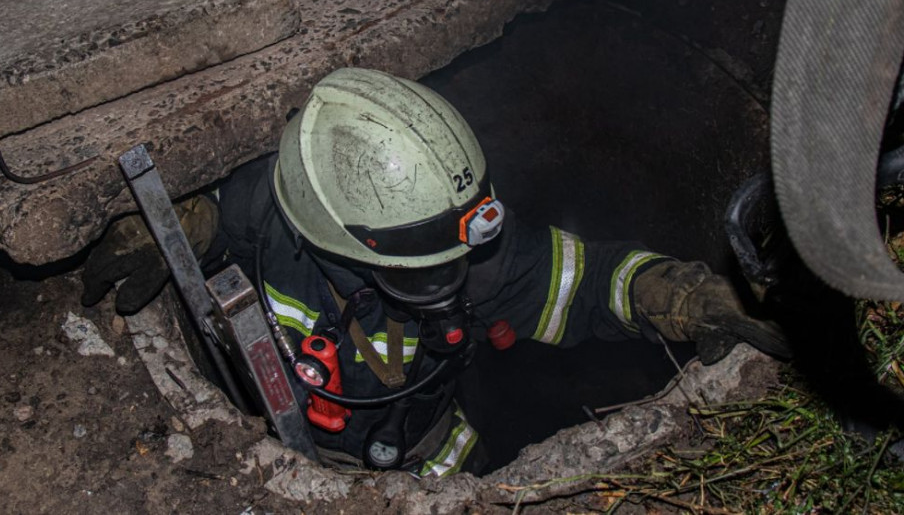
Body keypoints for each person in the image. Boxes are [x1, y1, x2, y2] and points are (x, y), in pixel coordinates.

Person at [81, 67, 791, 477]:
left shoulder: (477, 258)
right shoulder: (265, 217)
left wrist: (682, 296)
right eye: (414, 266)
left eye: (452, 256)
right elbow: (211, 218)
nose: (446, 279)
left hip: (437, 463)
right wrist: (173, 229)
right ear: (329, 232)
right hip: (283, 458)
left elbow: (586, 281)